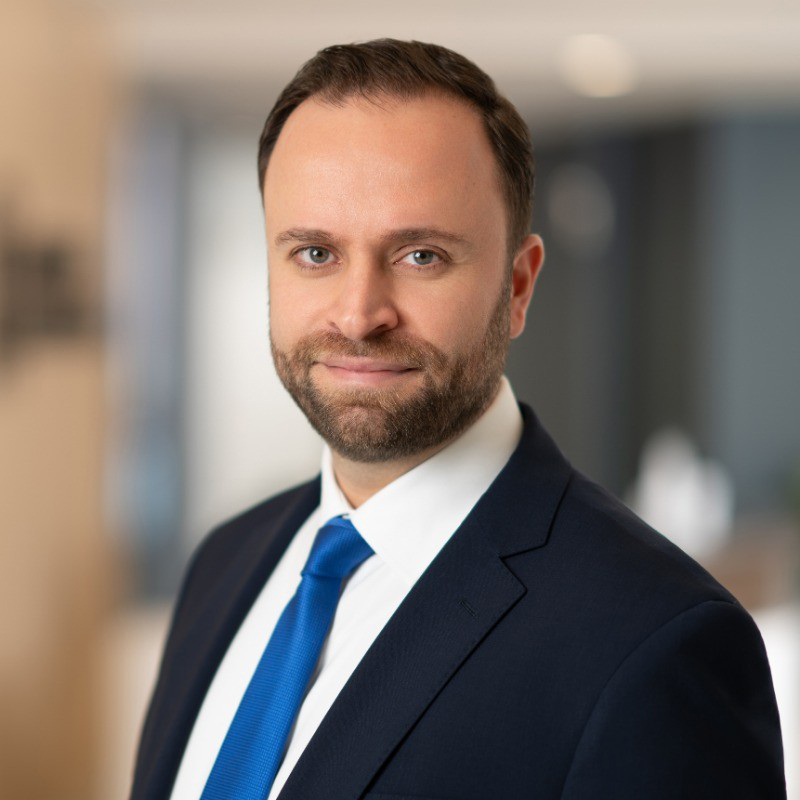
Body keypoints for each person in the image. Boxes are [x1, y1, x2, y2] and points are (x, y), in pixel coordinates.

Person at [130, 39, 785, 800]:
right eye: (314, 253)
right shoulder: (226, 561)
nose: (358, 314)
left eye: (420, 257)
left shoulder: (655, 645)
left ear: (518, 285)